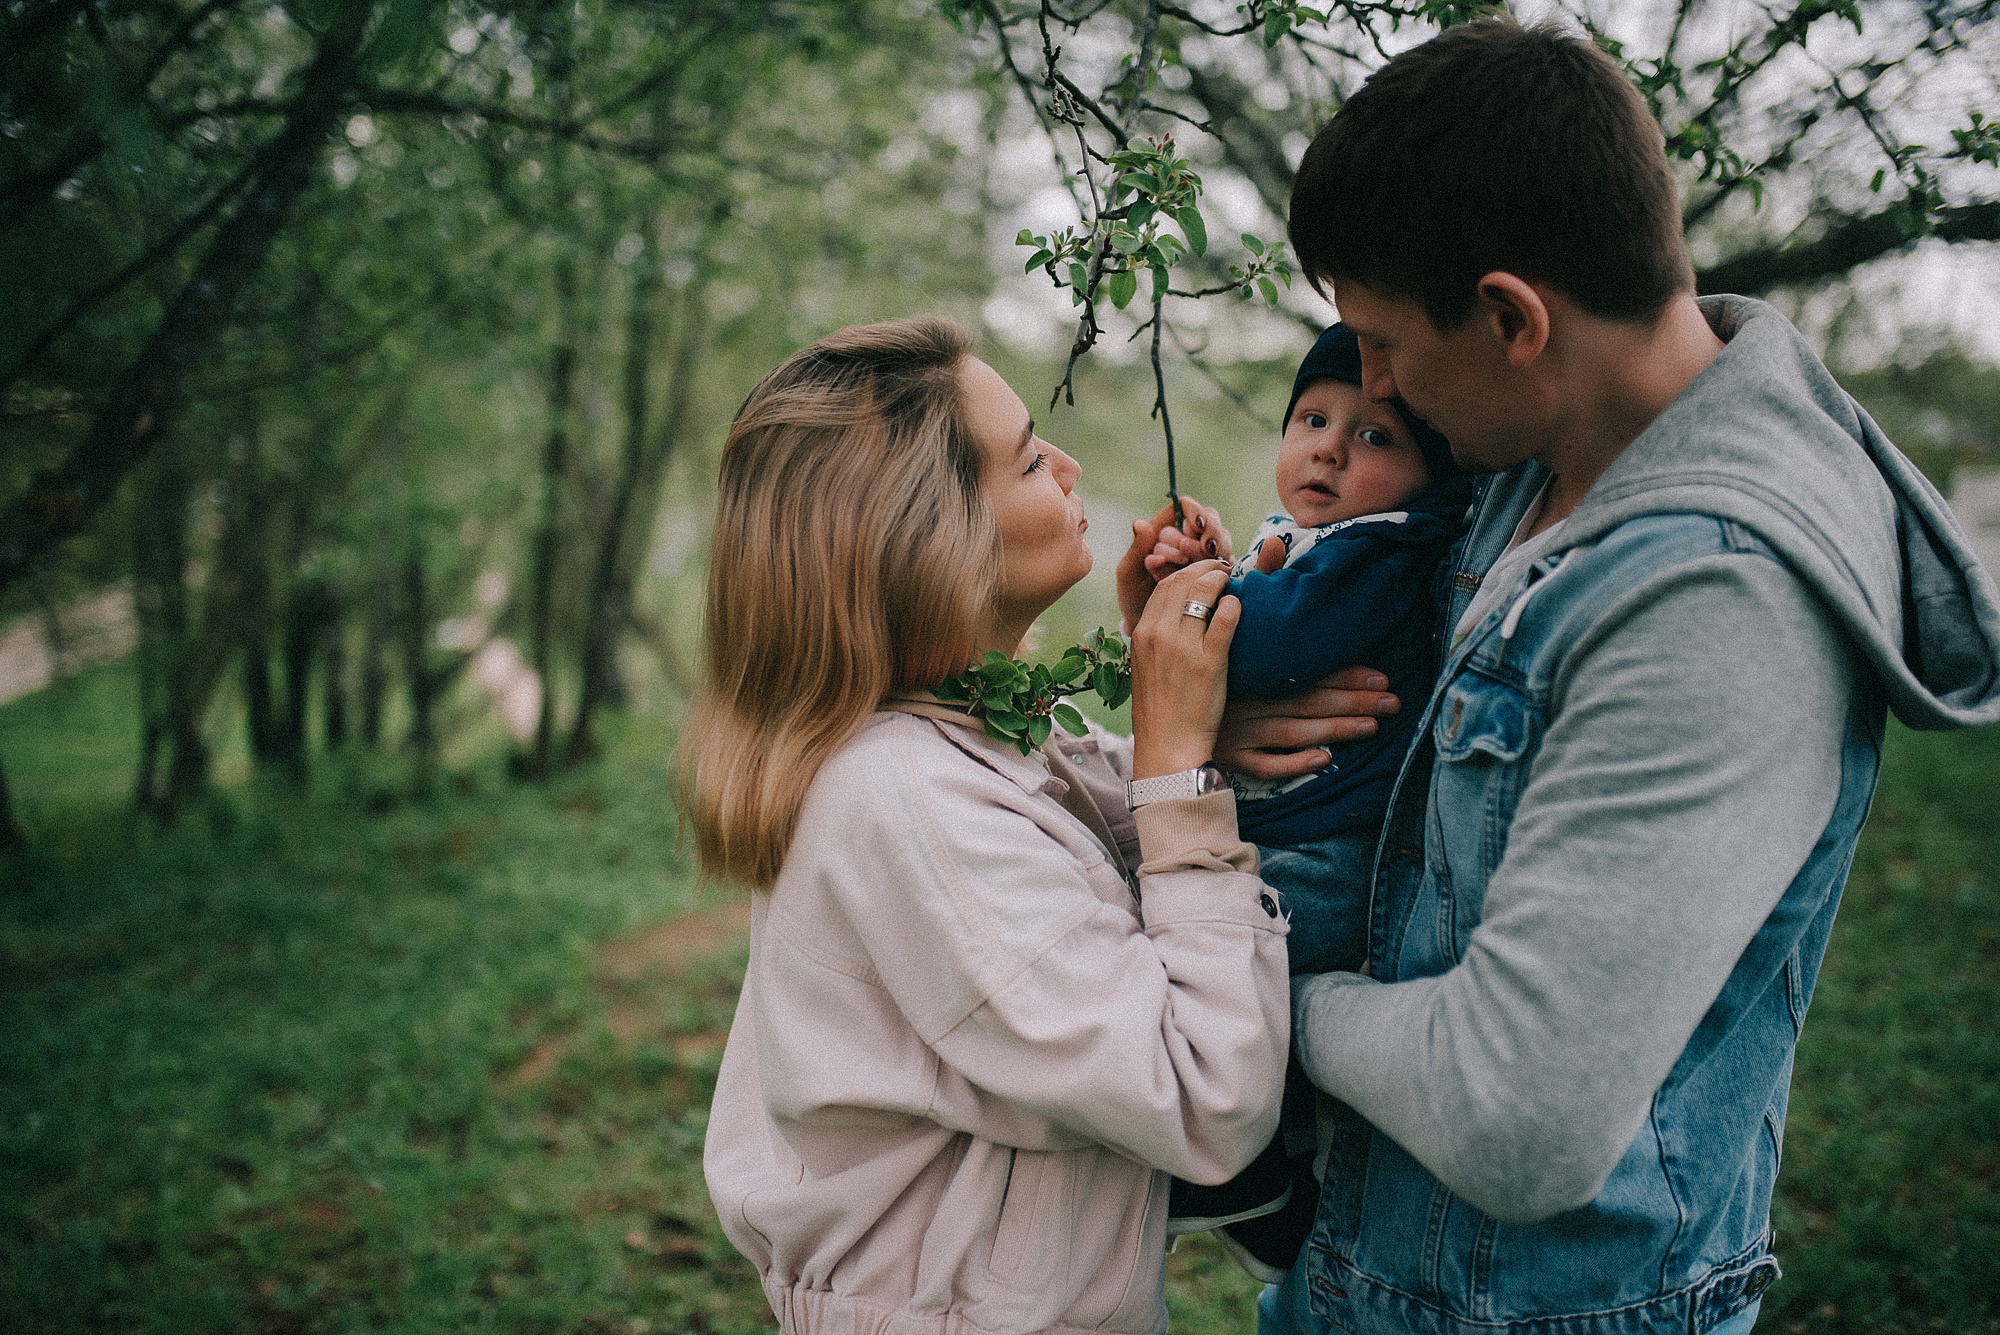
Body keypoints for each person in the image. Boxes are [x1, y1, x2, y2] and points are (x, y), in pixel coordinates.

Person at [1226, 15, 2000, 1335]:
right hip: (1356, 1270)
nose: (1375, 381)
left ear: (1514, 316)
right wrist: (1261, 727)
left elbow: (1516, 1112)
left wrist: (1243, 995)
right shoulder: (1517, 459)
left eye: (1386, 342)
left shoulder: (1718, 598)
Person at [685, 316, 1292, 1335]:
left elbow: (1091, 847)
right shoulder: (903, 802)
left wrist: (1182, 706)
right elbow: (1204, 1097)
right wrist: (1178, 767)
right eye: (1024, 461)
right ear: (926, 537)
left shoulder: (960, 742)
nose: (1068, 465)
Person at [1162, 323, 1473, 1279]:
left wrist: (1182, 598)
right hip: (1294, 822)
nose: (1331, 447)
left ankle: (1242, 1170)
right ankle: (1262, 1180)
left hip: (1334, 847)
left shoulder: (1384, 552)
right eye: (1313, 418)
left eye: (1377, 437)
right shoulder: (1318, 539)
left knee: (1249, 973)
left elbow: (1266, 647)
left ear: (1434, 476)